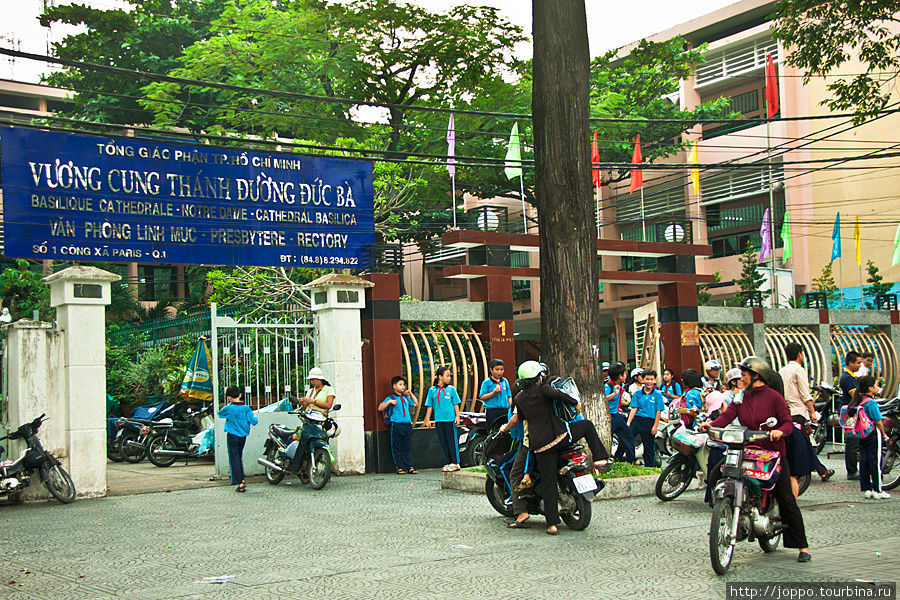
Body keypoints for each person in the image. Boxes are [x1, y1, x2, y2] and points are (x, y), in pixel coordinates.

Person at [700, 356, 812, 563]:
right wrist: (711, 425)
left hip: (773, 454)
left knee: (787, 499)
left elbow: (787, 422)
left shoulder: (774, 397)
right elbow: (727, 417)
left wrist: (778, 431)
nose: (740, 379)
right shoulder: (741, 397)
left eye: (744, 375)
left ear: (756, 376)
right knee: (716, 474)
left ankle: (803, 546)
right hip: (748, 449)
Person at [499, 360, 610, 535]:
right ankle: (600, 459)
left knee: (549, 484)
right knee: (587, 426)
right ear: (538, 377)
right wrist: (575, 403)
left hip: (541, 447)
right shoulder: (543, 389)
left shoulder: (519, 398)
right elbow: (560, 395)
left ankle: (552, 525)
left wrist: (505, 428)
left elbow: (517, 419)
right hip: (560, 438)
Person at [779, 342, 835, 485]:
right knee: (803, 443)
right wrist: (812, 411)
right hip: (798, 412)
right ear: (800, 354)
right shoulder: (799, 370)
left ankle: (821, 470)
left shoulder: (782, 371)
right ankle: (798, 473)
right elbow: (805, 394)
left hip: (785, 412)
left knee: (795, 443)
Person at [848, 375, 891, 499]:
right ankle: (878, 489)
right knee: (875, 461)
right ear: (871, 388)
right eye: (877, 386)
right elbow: (878, 420)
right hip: (873, 433)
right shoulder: (871, 403)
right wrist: (884, 433)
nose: (878, 388)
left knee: (864, 460)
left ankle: (867, 488)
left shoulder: (858, 400)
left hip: (862, 434)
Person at [218, 386, 258, 492]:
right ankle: (241, 480)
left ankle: (240, 482)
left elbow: (220, 414)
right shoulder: (246, 408)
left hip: (232, 435)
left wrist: (229, 404)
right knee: (239, 457)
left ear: (229, 397)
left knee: (234, 458)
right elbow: (254, 421)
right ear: (240, 395)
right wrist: (254, 416)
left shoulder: (229, 408)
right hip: (243, 436)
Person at [424, 366, 462, 472]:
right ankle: (449, 462)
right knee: (443, 441)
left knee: (451, 441)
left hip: (450, 420)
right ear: (440, 377)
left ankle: (456, 462)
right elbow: (429, 405)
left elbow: (455, 404)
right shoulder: (432, 390)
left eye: (450, 376)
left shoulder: (451, 389)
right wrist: (427, 419)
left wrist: (457, 416)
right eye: (447, 376)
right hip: (439, 420)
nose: (449, 378)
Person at [378, 375, 418, 475]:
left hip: (407, 425)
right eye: (400, 385)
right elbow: (380, 408)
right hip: (396, 425)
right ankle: (399, 467)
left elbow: (415, 403)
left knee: (407, 447)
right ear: (394, 386)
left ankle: (410, 466)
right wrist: (389, 402)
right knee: (396, 447)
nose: (403, 387)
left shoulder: (405, 398)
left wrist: (411, 394)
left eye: (403, 385)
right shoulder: (391, 398)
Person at [626, 369, 664, 467]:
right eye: (647, 379)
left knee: (649, 447)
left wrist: (655, 426)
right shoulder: (637, 393)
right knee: (627, 438)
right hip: (637, 420)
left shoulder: (658, 395)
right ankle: (628, 462)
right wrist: (628, 423)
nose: (649, 382)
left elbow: (658, 411)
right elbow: (634, 408)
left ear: (655, 380)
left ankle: (649, 467)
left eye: (651, 379)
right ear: (643, 380)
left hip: (650, 422)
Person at [605, 363, 635, 463]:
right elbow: (603, 399)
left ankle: (630, 460)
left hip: (616, 415)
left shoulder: (620, 385)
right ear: (620, 376)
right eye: (625, 374)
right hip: (609, 417)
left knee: (628, 434)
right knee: (608, 439)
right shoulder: (608, 386)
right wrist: (614, 394)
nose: (626, 376)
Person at [839, 352, 862, 480]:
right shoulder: (848, 378)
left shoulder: (850, 376)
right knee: (852, 442)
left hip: (850, 412)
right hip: (850, 413)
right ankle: (852, 471)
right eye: (858, 363)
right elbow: (855, 396)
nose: (859, 365)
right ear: (850, 363)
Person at [479, 358, 512, 430]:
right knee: (492, 430)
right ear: (491, 370)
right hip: (492, 411)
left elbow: (509, 395)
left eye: (501, 369)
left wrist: (510, 406)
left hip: (504, 410)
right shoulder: (486, 382)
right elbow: (482, 397)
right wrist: (493, 392)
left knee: (504, 430)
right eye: (497, 370)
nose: (499, 372)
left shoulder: (505, 381)